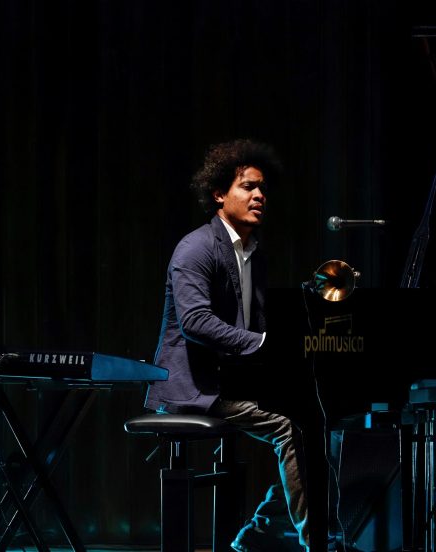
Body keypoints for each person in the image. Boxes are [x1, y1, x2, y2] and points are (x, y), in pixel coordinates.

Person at [144, 138, 309, 551]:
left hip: (231, 381)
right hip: (195, 388)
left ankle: (258, 535)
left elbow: (258, 324)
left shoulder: (255, 253)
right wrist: (267, 343)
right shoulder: (196, 248)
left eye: (263, 189)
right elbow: (196, 323)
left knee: (317, 418)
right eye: (248, 187)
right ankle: (316, 541)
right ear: (219, 194)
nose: (259, 196)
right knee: (290, 427)